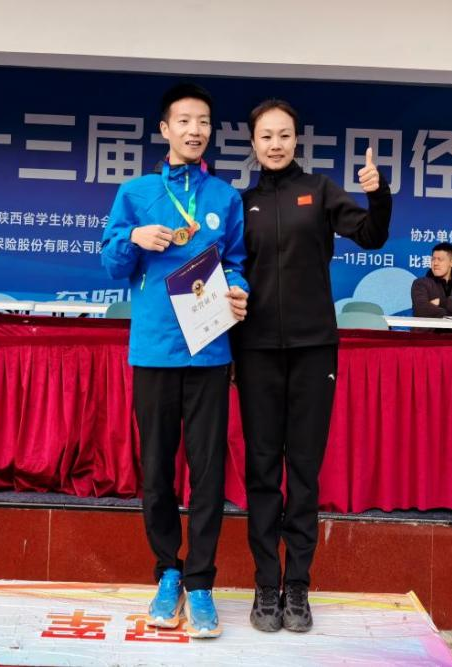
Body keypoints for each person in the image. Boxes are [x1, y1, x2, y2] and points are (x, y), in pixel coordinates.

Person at [231, 99, 392, 633]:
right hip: (255, 352)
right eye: (266, 136)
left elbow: (371, 234)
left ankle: (297, 585)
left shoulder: (320, 191)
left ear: (296, 139)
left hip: (313, 350)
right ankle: (265, 584)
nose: (275, 144)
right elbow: (226, 271)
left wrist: (378, 193)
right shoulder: (242, 204)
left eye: (284, 135)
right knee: (262, 470)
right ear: (253, 143)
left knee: (302, 470)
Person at [100, 83, 249, 639]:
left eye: (203, 121)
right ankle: (168, 571)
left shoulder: (225, 198)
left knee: (208, 472)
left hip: (209, 350)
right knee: (158, 469)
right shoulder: (136, 193)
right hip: (155, 349)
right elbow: (112, 264)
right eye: (184, 121)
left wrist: (240, 289)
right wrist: (134, 237)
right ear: (164, 129)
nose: (194, 130)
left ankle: (202, 581)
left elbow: (238, 262)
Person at [410, 242, 452, 319]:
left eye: (440, 259)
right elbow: (421, 310)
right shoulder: (420, 284)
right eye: (433, 259)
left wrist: (441, 302)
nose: (435, 263)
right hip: (431, 327)